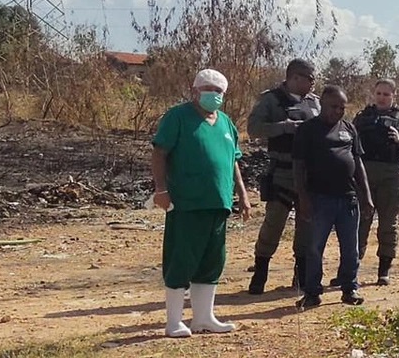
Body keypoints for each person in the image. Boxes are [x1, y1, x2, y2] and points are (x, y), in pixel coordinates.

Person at [150, 68, 252, 338]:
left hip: (218, 203)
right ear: (195, 90)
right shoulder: (178, 117)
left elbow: (233, 161)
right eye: (208, 89)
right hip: (186, 203)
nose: (213, 95)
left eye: (218, 91)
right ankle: (174, 321)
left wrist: (242, 194)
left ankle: (203, 317)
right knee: (181, 259)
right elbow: (160, 153)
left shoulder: (226, 123)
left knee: (212, 261)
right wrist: (161, 189)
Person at [293, 85, 375, 308]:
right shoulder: (308, 130)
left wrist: (366, 197)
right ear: (322, 104)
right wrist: (303, 198)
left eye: (342, 107)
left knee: (351, 248)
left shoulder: (349, 128)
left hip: (348, 198)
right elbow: (299, 167)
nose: (338, 111)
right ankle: (312, 292)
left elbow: (358, 164)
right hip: (319, 199)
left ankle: (350, 289)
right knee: (314, 248)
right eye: (333, 106)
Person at [246, 58, 321, 295]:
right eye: (310, 79)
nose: (313, 83)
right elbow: (253, 128)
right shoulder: (271, 99)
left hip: (309, 174)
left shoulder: (315, 102)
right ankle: (260, 273)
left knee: (307, 226)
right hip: (281, 171)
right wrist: (283, 127)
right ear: (295, 78)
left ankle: (300, 276)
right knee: (273, 224)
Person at [347, 78, 399, 286]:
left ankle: (383, 272)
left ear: (394, 96)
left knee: (388, 224)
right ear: (374, 94)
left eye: (386, 94)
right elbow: (349, 140)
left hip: (392, 175)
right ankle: (351, 271)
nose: (382, 98)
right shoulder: (363, 117)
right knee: (360, 223)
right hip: (365, 174)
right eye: (379, 93)